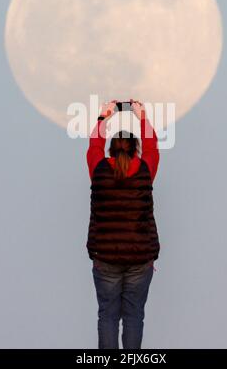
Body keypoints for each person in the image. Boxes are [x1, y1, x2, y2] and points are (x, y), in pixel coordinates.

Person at [86, 99, 160, 349]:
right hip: (140, 258)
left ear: (111, 151)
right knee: (134, 316)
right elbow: (152, 147)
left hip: (105, 257)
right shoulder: (145, 170)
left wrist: (102, 116)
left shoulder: (98, 169)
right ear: (135, 149)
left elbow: (93, 144)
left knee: (107, 315)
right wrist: (142, 117)